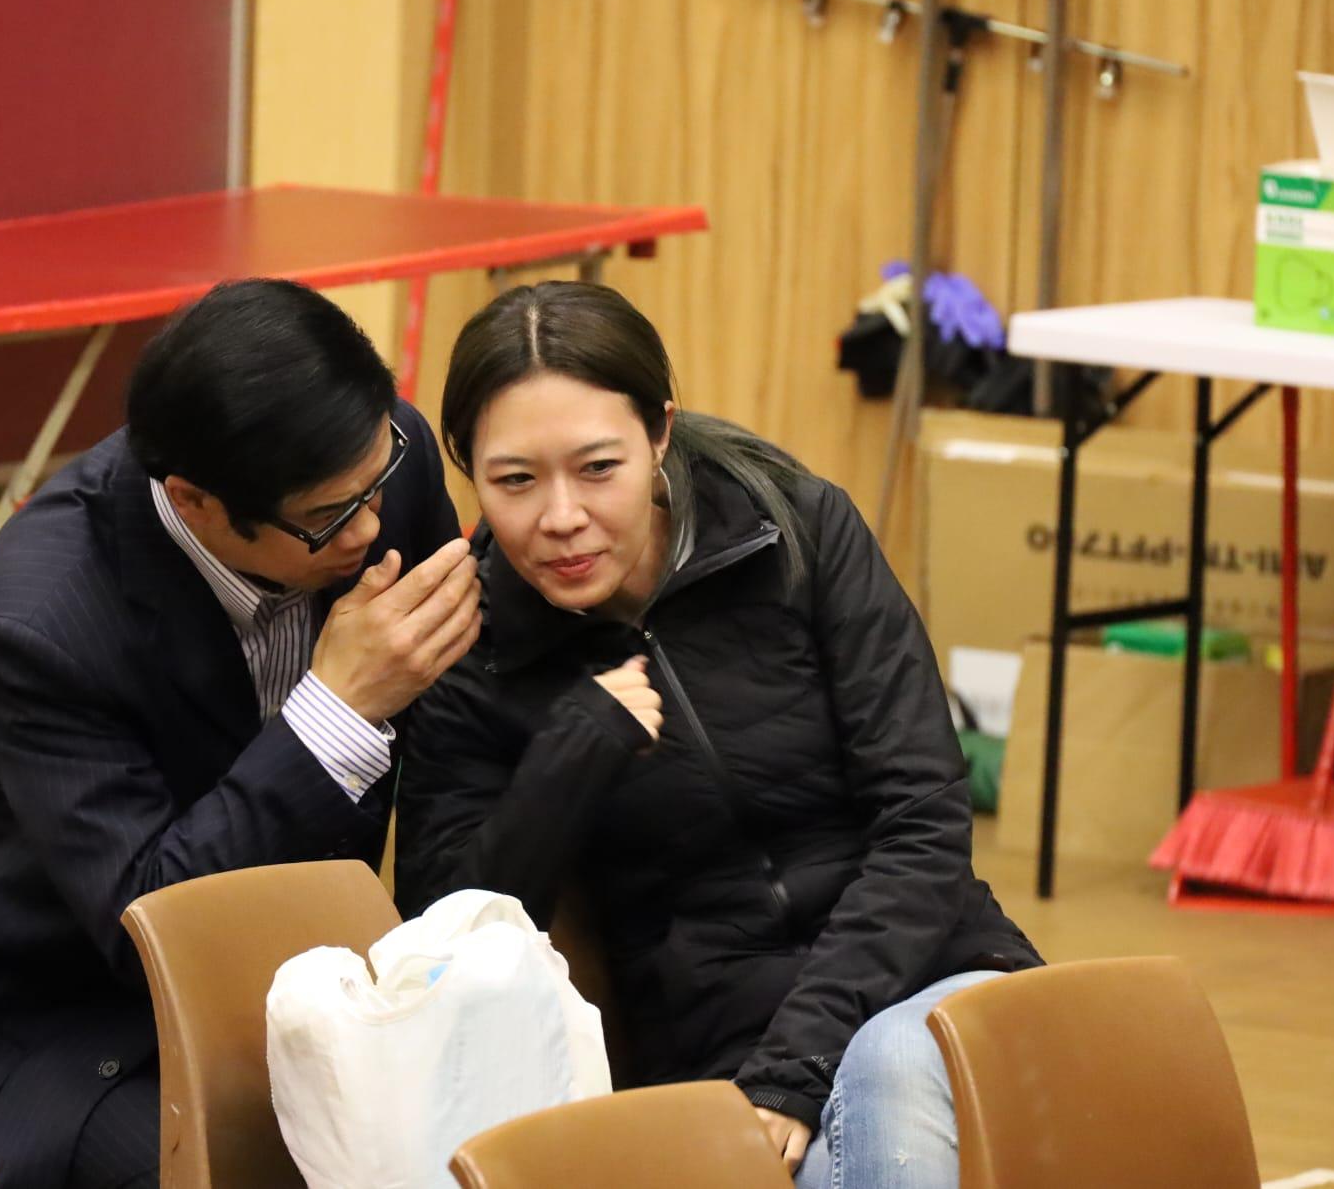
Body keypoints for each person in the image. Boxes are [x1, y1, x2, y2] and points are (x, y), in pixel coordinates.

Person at [396, 282, 1039, 1189]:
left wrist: (801, 1061)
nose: (561, 516)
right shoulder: (474, 652)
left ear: (659, 432)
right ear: (468, 467)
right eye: (515, 481)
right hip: (713, 1045)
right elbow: (446, 936)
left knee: (890, 1067)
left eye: (598, 467)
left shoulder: (798, 528)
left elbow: (924, 822)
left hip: (931, 980)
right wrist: (570, 756)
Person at [0, 279, 476, 1189]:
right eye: (328, 517)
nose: (370, 528)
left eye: (377, 484)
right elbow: (149, 922)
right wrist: (336, 709)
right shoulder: (41, 618)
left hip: (313, 988)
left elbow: (455, 718)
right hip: (79, 1025)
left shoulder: (366, 461)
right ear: (195, 501)